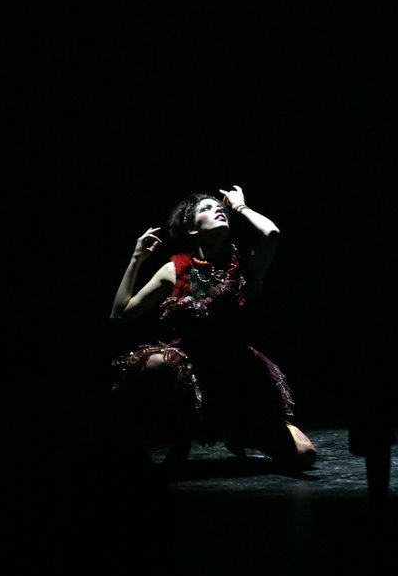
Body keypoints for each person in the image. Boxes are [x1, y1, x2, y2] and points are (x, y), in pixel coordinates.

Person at [109, 185, 316, 472]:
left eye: (219, 207)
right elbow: (119, 315)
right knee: (159, 363)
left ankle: (241, 432)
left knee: (304, 456)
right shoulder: (175, 270)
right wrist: (136, 258)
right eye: (205, 209)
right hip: (191, 370)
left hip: (238, 373)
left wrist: (240, 206)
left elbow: (272, 233)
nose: (218, 209)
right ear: (192, 230)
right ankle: (180, 440)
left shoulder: (245, 265)